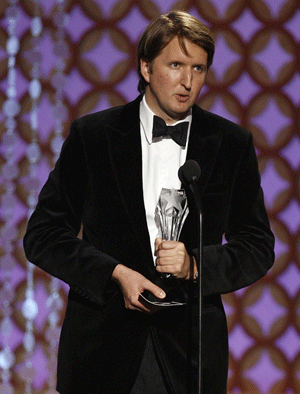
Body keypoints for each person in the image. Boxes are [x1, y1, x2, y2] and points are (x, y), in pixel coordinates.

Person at [23, 10, 275, 394]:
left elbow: (257, 245)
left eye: (199, 68)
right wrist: (114, 274)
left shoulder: (231, 144)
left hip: (190, 355)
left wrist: (195, 265)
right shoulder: (93, 138)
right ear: (145, 67)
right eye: (175, 64)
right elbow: (42, 235)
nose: (188, 82)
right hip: (101, 351)